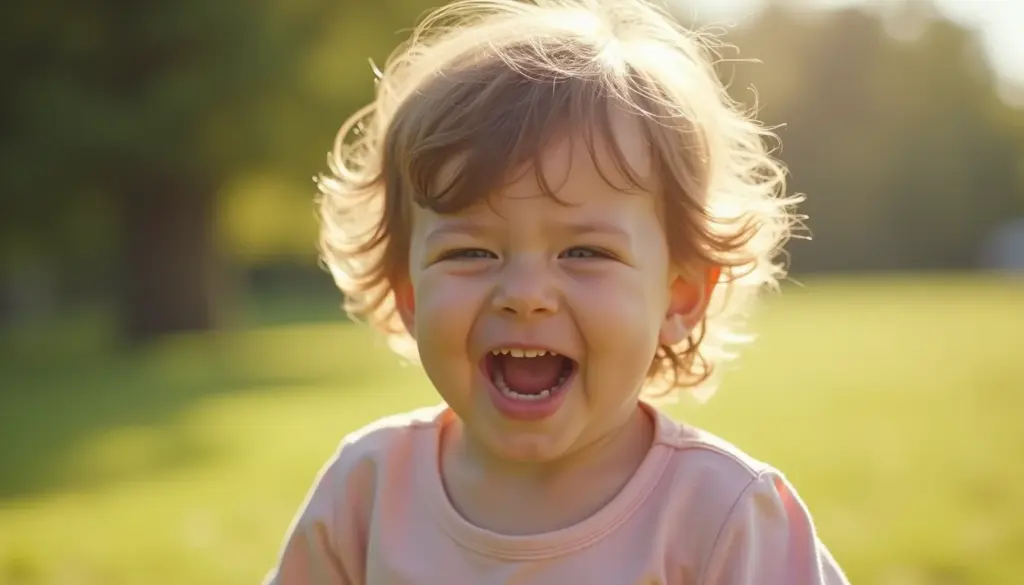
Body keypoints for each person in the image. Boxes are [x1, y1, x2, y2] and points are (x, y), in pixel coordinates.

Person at [265, 0, 850, 583]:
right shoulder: (366, 494)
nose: (524, 295)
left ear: (680, 296)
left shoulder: (723, 517)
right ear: (409, 295)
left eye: (585, 252)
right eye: (470, 252)